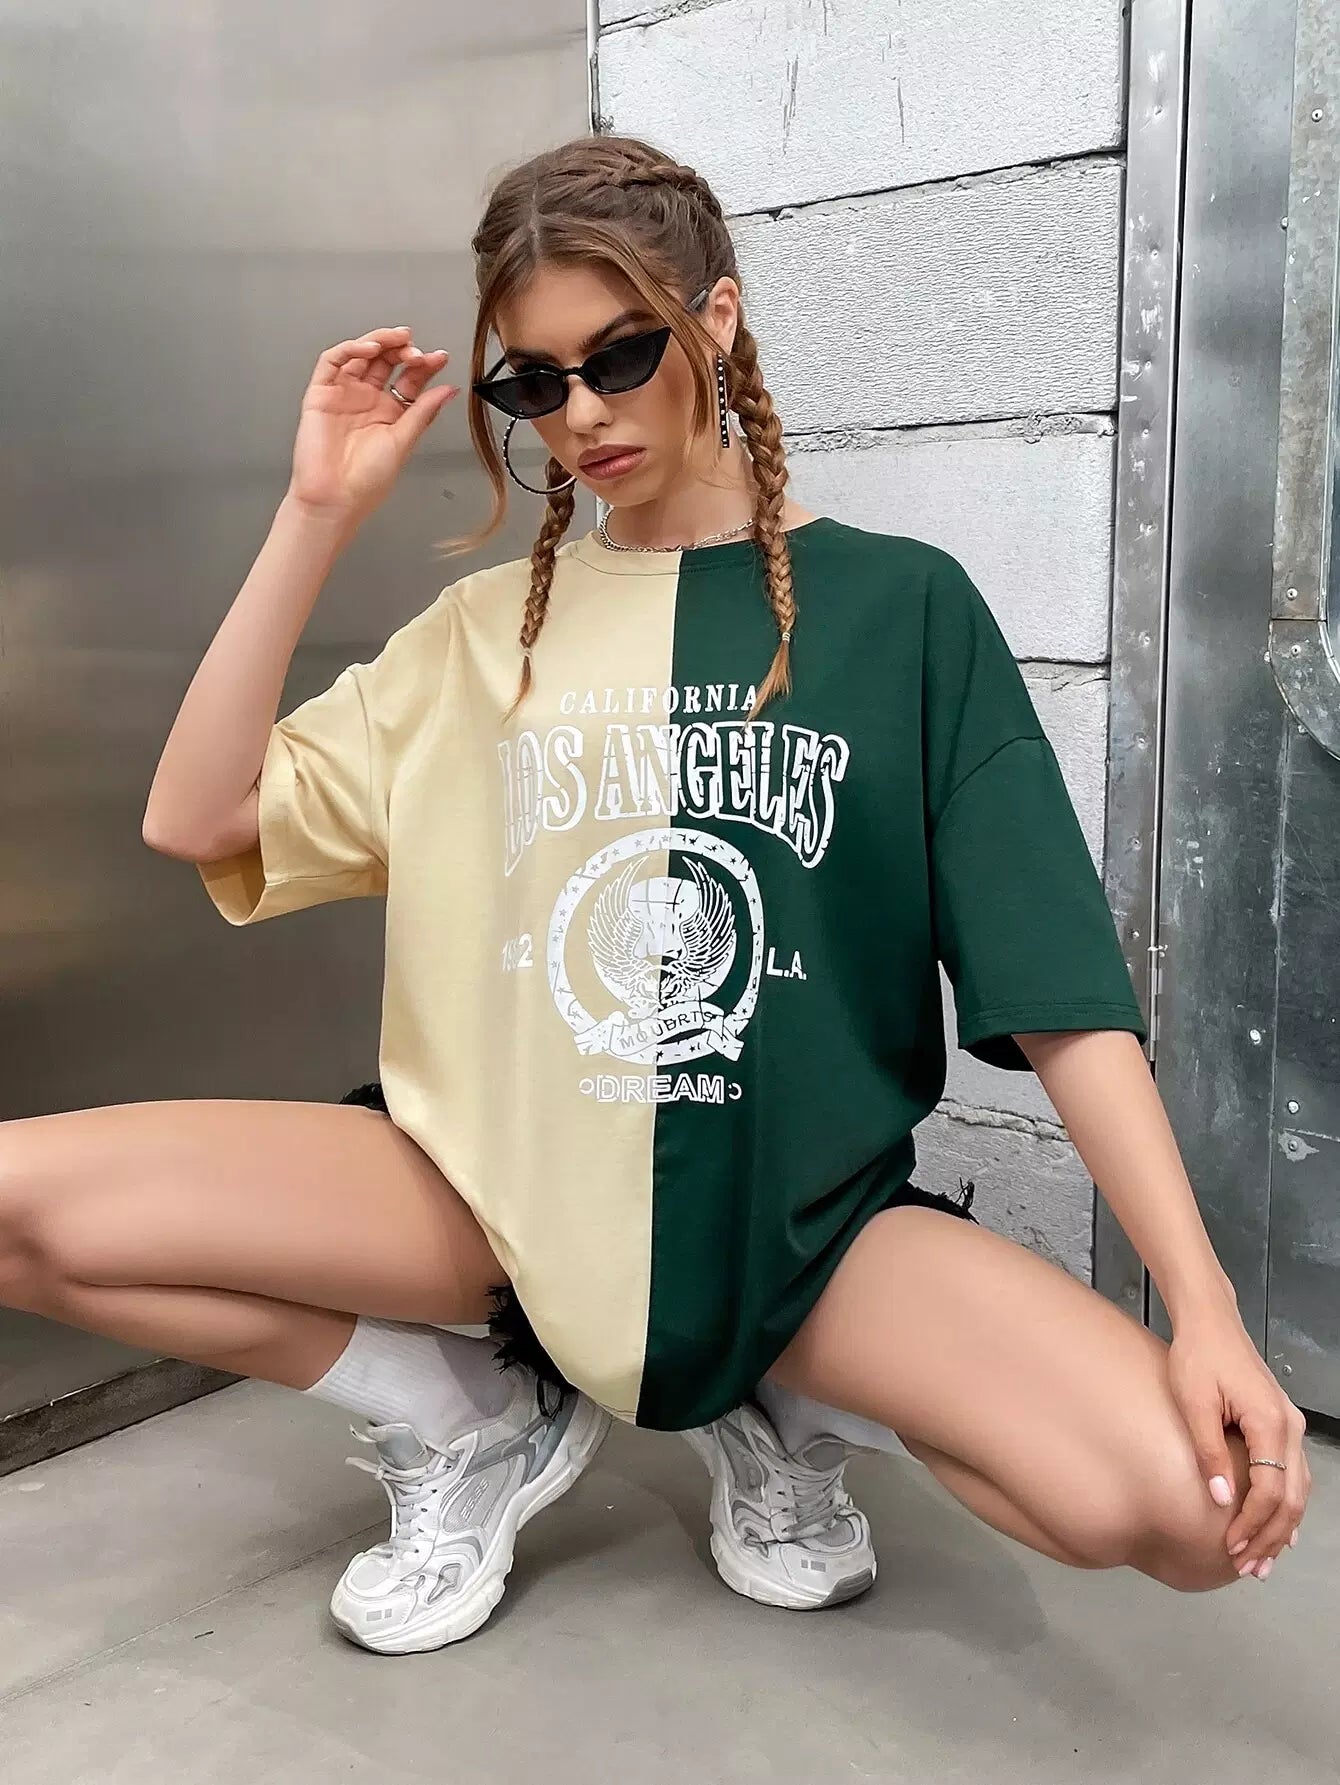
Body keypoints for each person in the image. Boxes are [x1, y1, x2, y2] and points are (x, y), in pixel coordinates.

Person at [0, 134, 1310, 1661]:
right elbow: (198, 815)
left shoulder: (903, 610)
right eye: (532, 383)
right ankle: (467, 1407)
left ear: (718, 319)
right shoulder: (477, 639)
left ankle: (784, 1394)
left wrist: (1205, 1305)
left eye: (621, 355)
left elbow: (1061, 989)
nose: (582, 414)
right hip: (484, 1197)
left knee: (1192, 1504)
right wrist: (315, 510)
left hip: (801, 1237)